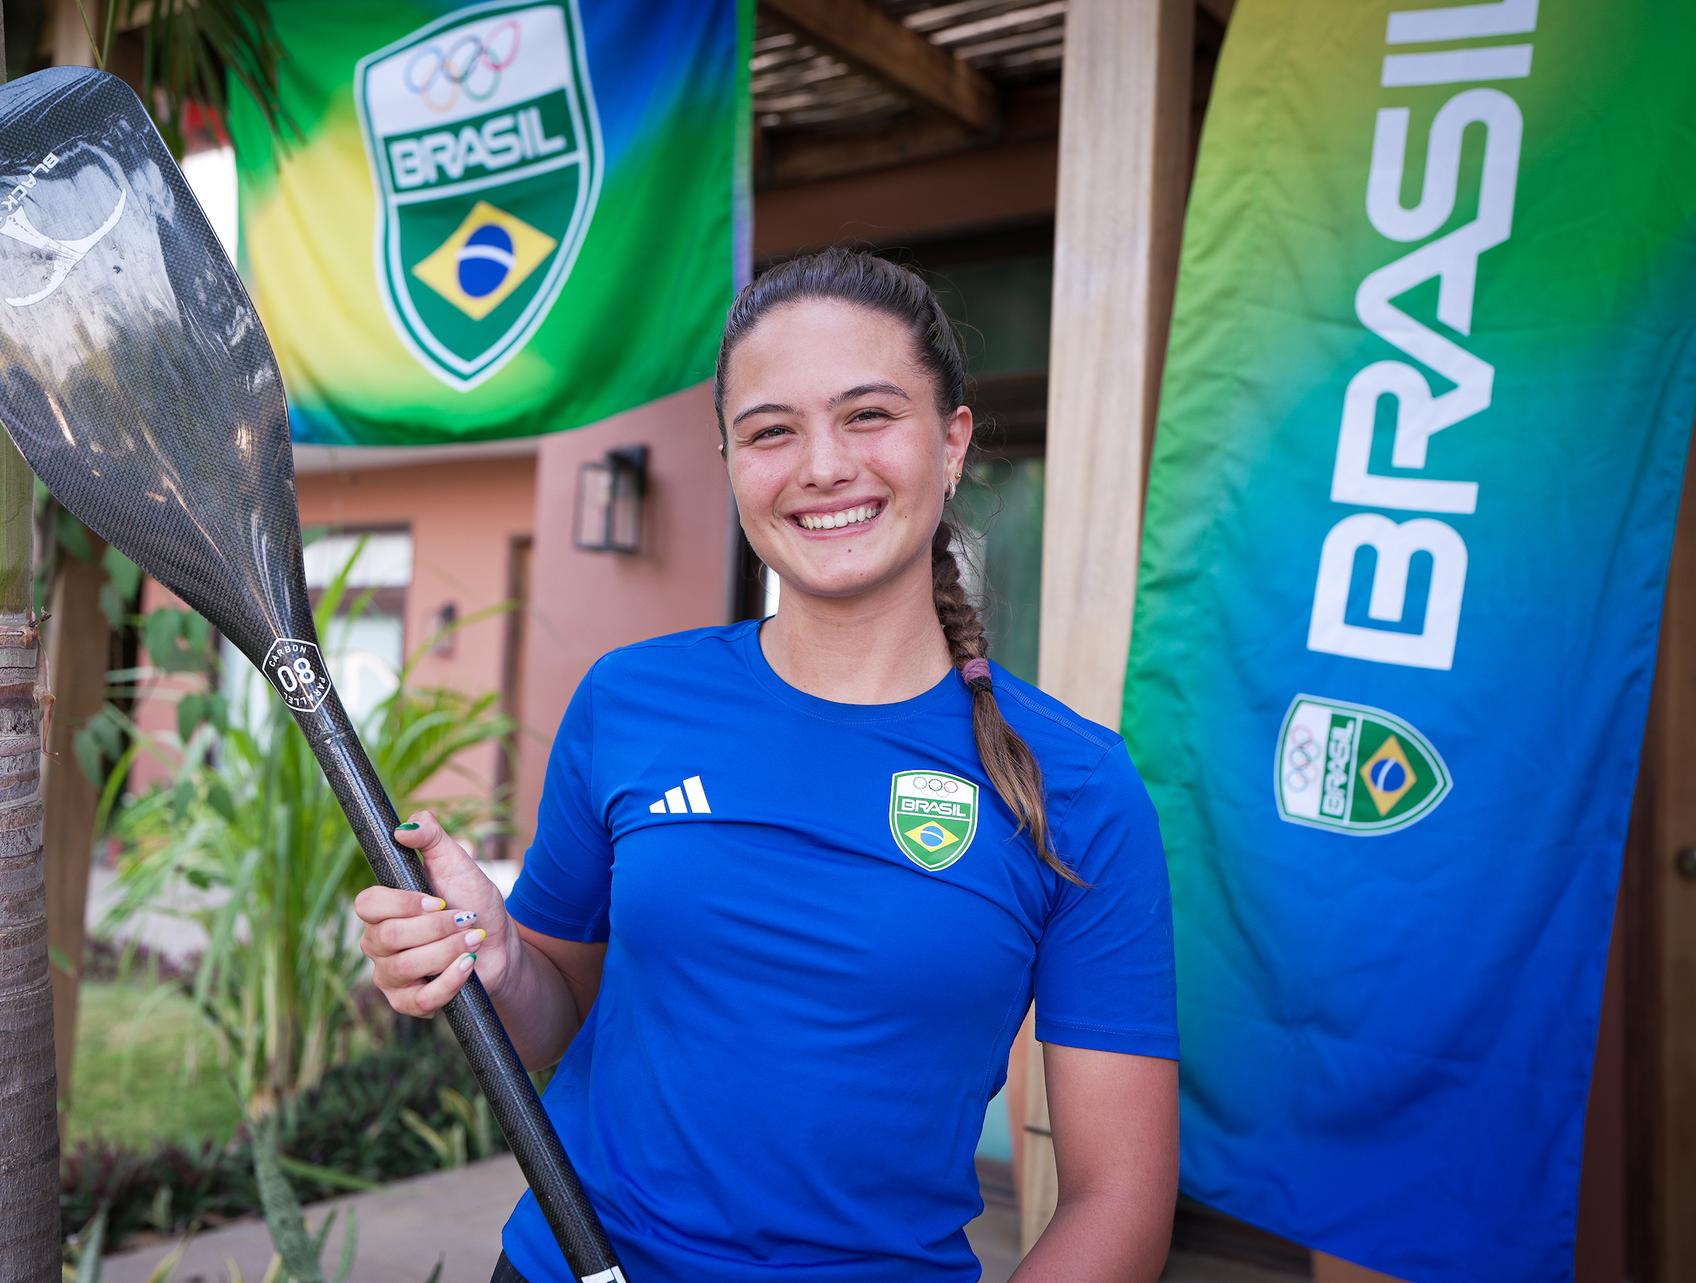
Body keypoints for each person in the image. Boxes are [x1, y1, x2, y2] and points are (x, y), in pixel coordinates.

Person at [355, 247, 1179, 1282]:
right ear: (733, 461)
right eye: (771, 431)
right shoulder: (630, 700)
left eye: (869, 415)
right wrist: (497, 955)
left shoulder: (1079, 783)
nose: (823, 465)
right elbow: (553, 1012)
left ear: (953, 441)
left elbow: (1121, 1196)